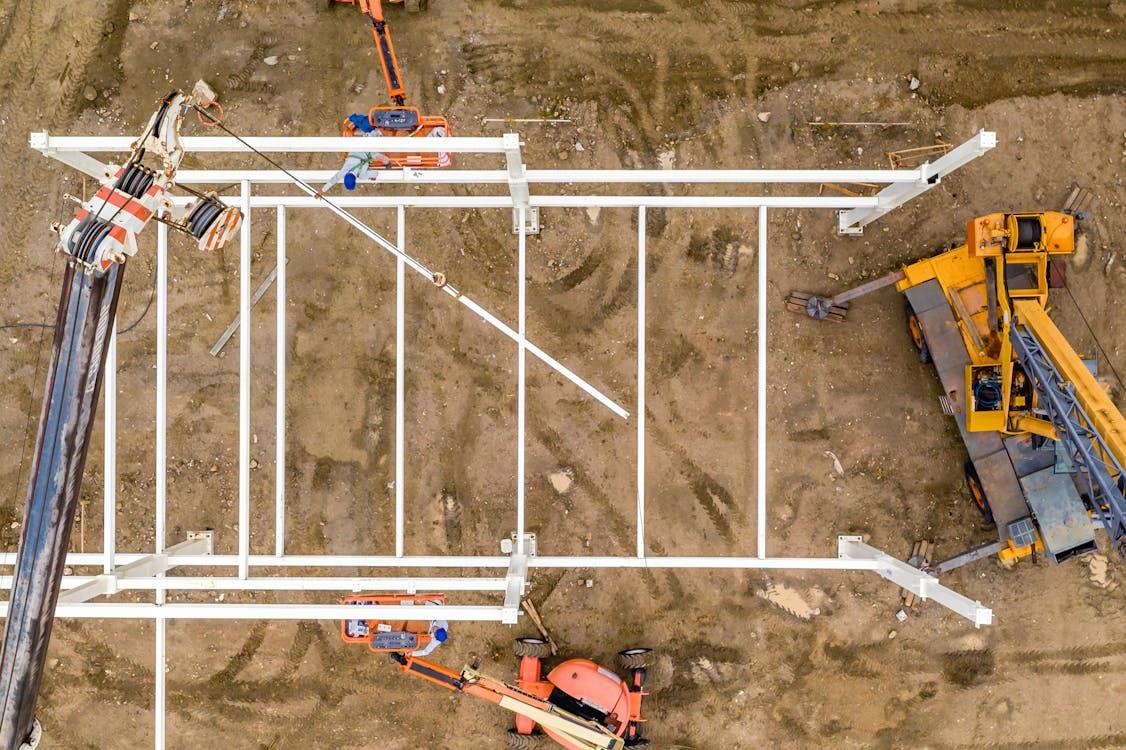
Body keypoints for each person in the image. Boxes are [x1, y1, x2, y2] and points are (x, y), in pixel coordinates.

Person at [317, 113, 392, 196]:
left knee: (383, 158)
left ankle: (388, 163)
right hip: (362, 142)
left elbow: (375, 173)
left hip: (370, 151)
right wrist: (322, 191)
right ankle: (373, 131)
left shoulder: (362, 175)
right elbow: (333, 179)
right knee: (369, 132)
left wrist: (372, 177)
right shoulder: (343, 171)